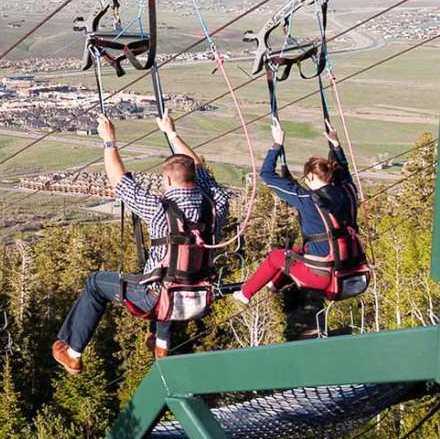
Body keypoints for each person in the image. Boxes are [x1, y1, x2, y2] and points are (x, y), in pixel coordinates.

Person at [52, 111, 230, 374]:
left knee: (95, 283)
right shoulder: (217, 203)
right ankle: (161, 343)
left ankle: (73, 351)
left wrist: (109, 142)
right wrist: (171, 133)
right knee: (169, 273)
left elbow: (120, 182)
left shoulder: (160, 209)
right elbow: (198, 167)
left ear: (168, 179)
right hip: (197, 294)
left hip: (158, 298)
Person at [233, 118, 361, 304]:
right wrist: (336, 145)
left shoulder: (308, 199)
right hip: (347, 267)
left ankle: (245, 294)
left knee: (277, 257)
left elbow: (266, 174)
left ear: (309, 176)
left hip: (320, 275)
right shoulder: (348, 190)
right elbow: (344, 171)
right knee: (297, 251)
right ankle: (274, 285)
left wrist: (277, 143)